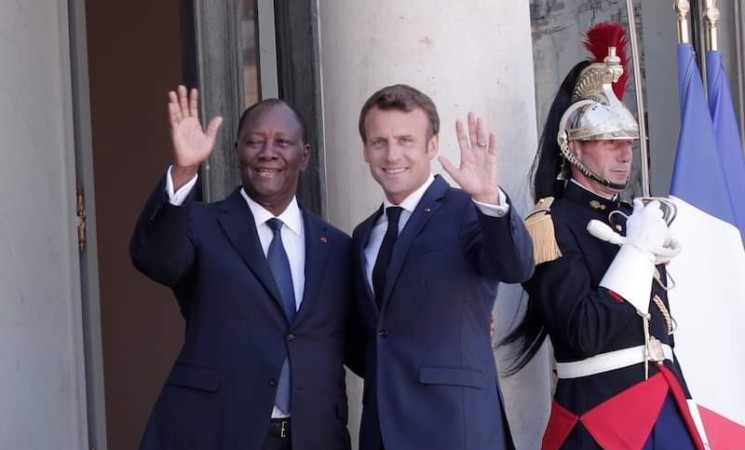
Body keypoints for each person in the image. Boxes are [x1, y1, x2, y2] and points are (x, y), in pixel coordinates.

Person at [501, 23, 706, 450]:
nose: (624, 153)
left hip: (665, 402)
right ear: (572, 148)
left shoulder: (633, 216)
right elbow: (583, 333)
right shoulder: (550, 224)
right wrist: (634, 253)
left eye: (628, 141)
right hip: (599, 418)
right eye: (608, 141)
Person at [130, 86, 353, 450]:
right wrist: (185, 169)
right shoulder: (201, 224)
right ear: (237, 151)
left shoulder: (338, 246)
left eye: (282, 142)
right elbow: (155, 260)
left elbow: (363, 341)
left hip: (313, 437)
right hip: (217, 432)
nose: (268, 152)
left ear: (305, 154)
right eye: (254, 141)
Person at [350, 84, 534, 450]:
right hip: (382, 431)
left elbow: (515, 267)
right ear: (365, 152)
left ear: (432, 146)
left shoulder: (467, 211)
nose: (392, 154)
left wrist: (488, 199)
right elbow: (371, 339)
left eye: (406, 140)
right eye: (379, 142)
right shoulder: (363, 235)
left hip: (455, 427)